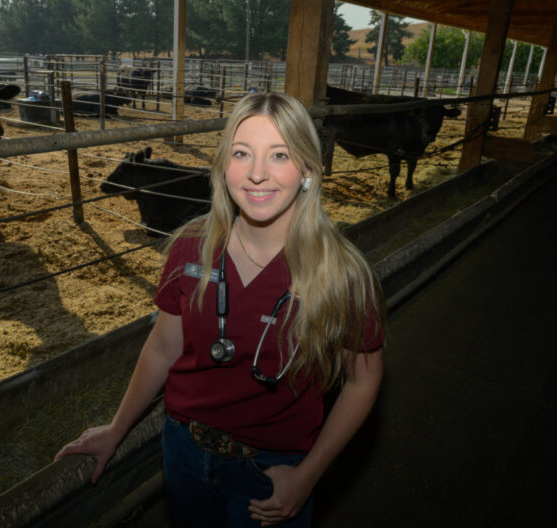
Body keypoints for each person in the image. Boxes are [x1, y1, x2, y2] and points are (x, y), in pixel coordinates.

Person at [55, 92, 385, 527]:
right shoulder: (191, 247)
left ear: (307, 169)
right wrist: (116, 429)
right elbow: (162, 348)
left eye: (280, 155)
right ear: (223, 166)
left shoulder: (341, 274)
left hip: (271, 469)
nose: (257, 174)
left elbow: (362, 379)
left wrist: (308, 476)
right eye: (242, 153)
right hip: (183, 450)